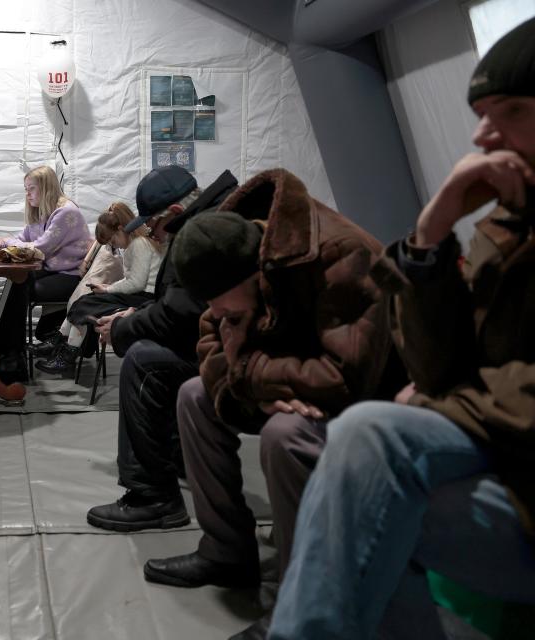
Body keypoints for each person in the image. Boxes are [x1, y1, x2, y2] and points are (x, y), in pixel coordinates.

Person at [268, 18, 535, 639]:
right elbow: (440, 366)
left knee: (364, 448)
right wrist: (429, 236)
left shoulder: (329, 261)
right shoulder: (510, 226)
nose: (482, 134)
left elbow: (409, 380)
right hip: (505, 464)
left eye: (514, 110)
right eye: (480, 113)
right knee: (353, 470)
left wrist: (443, 403)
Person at [145, 169, 403, 639]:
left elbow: (345, 377)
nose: (220, 318)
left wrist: (249, 369)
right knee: (193, 395)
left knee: (287, 436)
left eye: (230, 312)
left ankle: (305, 600)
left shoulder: (342, 255)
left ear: (259, 275)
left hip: (371, 399)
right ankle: (226, 551)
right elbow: (210, 343)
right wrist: (254, 371)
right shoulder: (229, 259)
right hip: (293, 376)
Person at [85, 167, 237, 532]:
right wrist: (138, 315)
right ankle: (178, 455)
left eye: (152, 225)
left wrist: (124, 328)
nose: (150, 233)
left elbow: (183, 315)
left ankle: (152, 495)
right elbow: (187, 305)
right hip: (231, 345)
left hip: (238, 356)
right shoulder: (214, 218)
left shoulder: (201, 233)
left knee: (143, 360)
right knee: (150, 347)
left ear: (172, 212)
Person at [36, 201, 163, 374]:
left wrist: (108, 289)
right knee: (83, 301)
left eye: (113, 240)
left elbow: (136, 283)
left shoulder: (139, 244)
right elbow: (132, 281)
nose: (114, 245)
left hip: (144, 298)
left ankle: (66, 352)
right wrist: (108, 287)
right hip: (139, 294)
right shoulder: (135, 245)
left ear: (120, 229)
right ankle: (62, 343)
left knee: (86, 304)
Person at [0, 166, 91, 383]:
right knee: (16, 283)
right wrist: (7, 241)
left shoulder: (66, 212)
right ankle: (9, 348)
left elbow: (40, 248)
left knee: (21, 287)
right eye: (26, 189)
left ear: (45, 188)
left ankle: (10, 350)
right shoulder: (42, 211)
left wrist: (8, 242)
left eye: (31, 189)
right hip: (53, 269)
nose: (27, 194)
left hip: (71, 274)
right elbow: (24, 237)